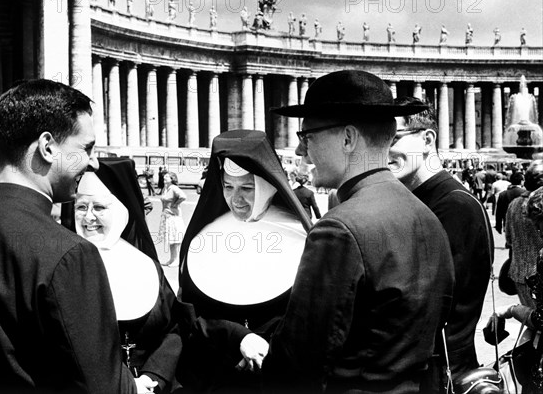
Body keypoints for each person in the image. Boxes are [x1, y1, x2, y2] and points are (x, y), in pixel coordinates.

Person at [0, 79, 141, 392]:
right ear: (48, 147)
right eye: (86, 149)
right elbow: (102, 386)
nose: (94, 162)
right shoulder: (70, 253)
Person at [263, 70, 454, 393]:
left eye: (307, 136)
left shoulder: (339, 229)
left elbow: (299, 360)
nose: (300, 152)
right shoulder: (428, 217)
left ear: (348, 139)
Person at [178, 129, 312, 393]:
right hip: (220, 371)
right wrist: (239, 337)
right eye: (227, 187)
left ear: (267, 186)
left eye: (247, 188)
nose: (236, 199)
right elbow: (190, 316)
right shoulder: (205, 236)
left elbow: (310, 314)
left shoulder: (302, 236)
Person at [388, 97, 493, 386]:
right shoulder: (420, 200)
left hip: (441, 373)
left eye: (392, 138)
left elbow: (429, 305)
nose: (381, 151)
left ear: (427, 139)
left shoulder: (455, 206)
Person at [62, 158, 185, 394]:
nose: (88, 218)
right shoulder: (60, 270)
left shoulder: (146, 265)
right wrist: (127, 386)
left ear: (120, 210)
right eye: (81, 207)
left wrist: (154, 376)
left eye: (99, 207)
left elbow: (173, 329)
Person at [496, 185, 543, 393]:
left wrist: (512, 310)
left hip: (521, 271)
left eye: (540, 225)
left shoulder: (513, 204)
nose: (539, 232)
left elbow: (541, 318)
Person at [505, 160, 543, 308]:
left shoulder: (514, 204)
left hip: (520, 274)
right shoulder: (539, 204)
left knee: (533, 322)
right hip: (539, 276)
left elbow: (508, 239)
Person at [159, 172, 186, 267]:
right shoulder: (165, 188)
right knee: (171, 239)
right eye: (164, 176)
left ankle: (177, 260)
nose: (164, 177)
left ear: (172, 178)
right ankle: (172, 259)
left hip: (174, 216)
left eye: (167, 176)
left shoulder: (174, 188)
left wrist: (176, 204)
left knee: (176, 240)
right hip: (167, 216)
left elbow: (183, 196)